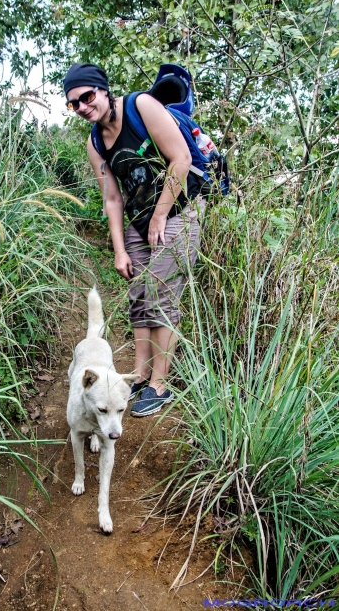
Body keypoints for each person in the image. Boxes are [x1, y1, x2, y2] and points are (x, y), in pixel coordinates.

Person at [63, 63, 205, 417]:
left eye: (87, 96)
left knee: (162, 296)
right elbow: (112, 198)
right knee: (139, 298)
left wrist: (159, 217)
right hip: (140, 220)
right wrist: (120, 249)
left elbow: (181, 159)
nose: (82, 106)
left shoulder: (141, 106)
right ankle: (141, 374)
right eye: (73, 104)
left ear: (103, 90)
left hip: (179, 210)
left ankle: (160, 385)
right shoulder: (95, 142)